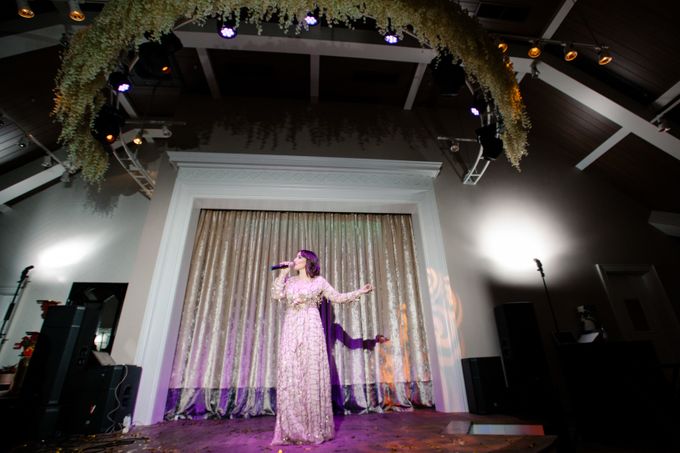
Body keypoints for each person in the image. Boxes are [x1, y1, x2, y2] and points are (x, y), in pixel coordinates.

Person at [270, 249, 373, 445]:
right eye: (296, 257)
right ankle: (292, 429)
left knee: (310, 373)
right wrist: (282, 274)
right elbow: (276, 295)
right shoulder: (290, 281)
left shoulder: (319, 281)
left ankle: (313, 428)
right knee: (291, 372)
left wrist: (360, 291)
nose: (295, 259)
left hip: (311, 328)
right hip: (291, 328)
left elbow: (338, 297)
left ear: (308, 261)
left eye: (299, 257)